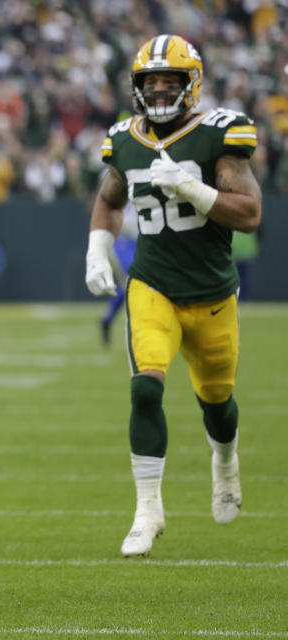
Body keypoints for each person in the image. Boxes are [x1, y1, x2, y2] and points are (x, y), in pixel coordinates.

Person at [84, 34, 262, 557]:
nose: (159, 91)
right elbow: (109, 198)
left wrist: (194, 189)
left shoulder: (218, 134)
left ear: (192, 84)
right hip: (152, 285)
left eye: (170, 81)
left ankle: (225, 463)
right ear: (136, 86)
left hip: (211, 294)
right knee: (145, 389)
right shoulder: (126, 138)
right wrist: (98, 248)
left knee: (219, 406)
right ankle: (147, 509)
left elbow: (250, 214)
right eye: (150, 82)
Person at [99, 202, 138, 347]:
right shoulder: (119, 186)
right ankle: (139, 328)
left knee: (129, 285)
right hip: (122, 241)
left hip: (138, 242)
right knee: (132, 282)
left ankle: (107, 318)